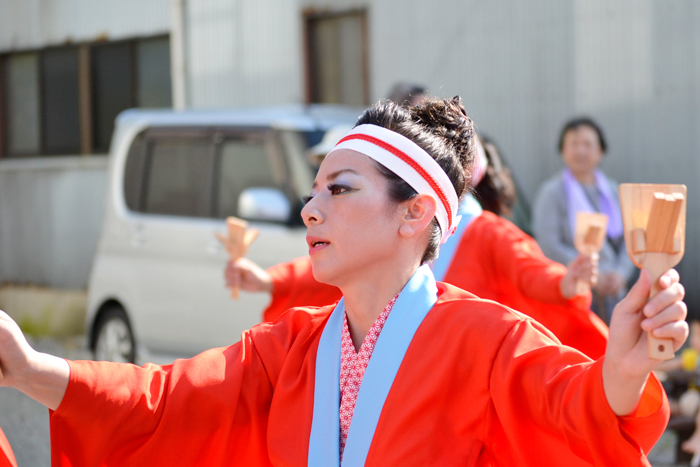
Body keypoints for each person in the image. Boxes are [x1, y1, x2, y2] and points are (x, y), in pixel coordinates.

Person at [0, 98, 687, 466]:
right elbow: (163, 399)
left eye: (340, 187)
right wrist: (32, 369)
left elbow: (572, 405)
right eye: (313, 189)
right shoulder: (290, 347)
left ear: (415, 212)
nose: (309, 207)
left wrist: (621, 371)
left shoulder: (487, 336)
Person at [227, 135, 608, 359]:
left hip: (461, 368)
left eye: (340, 188)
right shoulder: (384, 227)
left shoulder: (486, 232)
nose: (313, 208)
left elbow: (531, 275)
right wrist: (269, 281)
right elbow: (335, 267)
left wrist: (566, 282)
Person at [532, 117, 635, 324]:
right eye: (573, 144)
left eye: (587, 144)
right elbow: (548, 245)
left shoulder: (614, 192)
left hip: (615, 292)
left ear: (600, 152)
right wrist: (590, 273)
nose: (580, 151)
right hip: (575, 293)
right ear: (563, 151)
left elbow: (630, 239)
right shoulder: (552, 193)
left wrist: (621, 274)